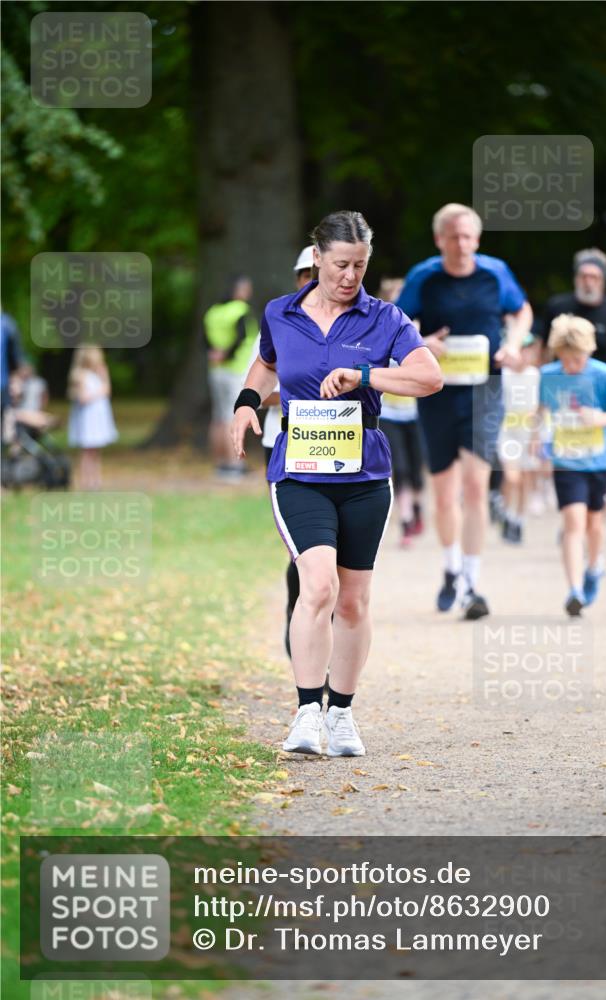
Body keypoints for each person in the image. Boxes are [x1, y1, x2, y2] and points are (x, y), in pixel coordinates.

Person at [231, 211, 442, 757]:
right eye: (342, 264)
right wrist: (244, 405)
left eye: (361, 266)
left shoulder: (385, 318)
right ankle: (306, 713)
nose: (351, 276)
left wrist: (367, 374)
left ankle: (342, 714)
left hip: (365, 474)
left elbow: (428, 377)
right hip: (298, 471)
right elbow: (264, 365)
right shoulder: (281, 313)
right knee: (316, 585)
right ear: (317, 258)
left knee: (352, 601)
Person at [396, 203, 532, 618]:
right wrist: (421, 341)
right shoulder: (425, 276)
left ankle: (472, 583)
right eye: (454, 236)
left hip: (484, 391)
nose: (462, 244)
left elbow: (521, 311)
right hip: (436, 391)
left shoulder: (495, 273)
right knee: (443, 493)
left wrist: (514, 344)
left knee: (475, 486)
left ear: (478, 238)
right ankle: (451, 568)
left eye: (469, 236)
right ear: (440, 239)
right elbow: (398, 320)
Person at [538, 315, 606, 616]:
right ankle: (574, 589)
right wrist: (536, 439)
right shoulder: (549, 375)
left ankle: (594, 569)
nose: (571, 366)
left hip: (599, 462)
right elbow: (541, 413)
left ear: (588, 352)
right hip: (566, 462)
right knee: (573, 523)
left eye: (576, 360)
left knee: (594, 524)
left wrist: (600, 418)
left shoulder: (602, 375)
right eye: (565, 360)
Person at [539, 248, 606, 477]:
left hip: (604, 392)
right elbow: (543, 348)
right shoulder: (557, 306)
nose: (588, 282)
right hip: (565, 391)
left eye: (594, 277)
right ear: (576, 278)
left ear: (603, 280)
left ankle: (600, 506)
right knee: (566, 456)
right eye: (583, 276)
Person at [260, 246, 315, 655]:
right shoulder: (279, 321)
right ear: (297, 278)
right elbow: (257, 389)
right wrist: (298, 393)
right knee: (301, 549)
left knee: (331, 552)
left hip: (339, 445)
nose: (313, 279)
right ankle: (297, 611)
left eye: (319, 271)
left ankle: (318, 623)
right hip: (283, 442)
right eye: (306, 273)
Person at [377, 277, 425, 547]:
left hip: (415, 412)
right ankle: (406, 520)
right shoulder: (377, 332)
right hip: (389, 413)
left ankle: (417, 507)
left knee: (417, 470)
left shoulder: (416, 330)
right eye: (394, 298)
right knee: (401, 469)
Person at [204, 276, 258, 480]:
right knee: (232, 415)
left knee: (218, 417)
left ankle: (220, 462)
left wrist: (216, 353)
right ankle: (235, 464)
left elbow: (205, 339)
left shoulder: (213, 312)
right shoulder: (240, 310)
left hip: (215, 369)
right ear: (239, 290)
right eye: (246, 289)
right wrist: (227, 354)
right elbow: (242, 336)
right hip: (236, 369)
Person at [497, 334, 541, 544]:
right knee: (511, 477)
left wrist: (536, 437)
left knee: (524, 480)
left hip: (527, 433)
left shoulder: (535, 375)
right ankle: (506, 511)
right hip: (507, 432)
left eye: (528, 349)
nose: (524, 353)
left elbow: (539, 409)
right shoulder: (503, 375)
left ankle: (519, 519)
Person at [67, 346, 118, 490]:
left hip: (97, 418)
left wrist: (104, 376)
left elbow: (107, 390)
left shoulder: (98, 375)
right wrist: (99, 391)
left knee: (96, 452)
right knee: (87, 452)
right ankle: (85, 481)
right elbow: (83, 398)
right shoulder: (81, 375)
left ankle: (96, 480)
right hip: (88, 419)